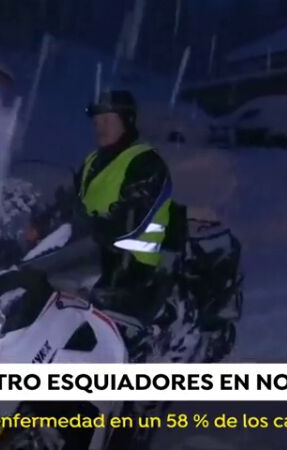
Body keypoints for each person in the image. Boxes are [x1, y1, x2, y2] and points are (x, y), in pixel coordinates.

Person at [76, 90, 176, 350]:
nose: (100, 127)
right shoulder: (92, 161)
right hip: (92, 258)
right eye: (97, 121)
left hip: (133, 264)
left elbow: (132, 216)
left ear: (127, 121)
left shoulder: (146, 162)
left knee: (93, 337)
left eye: (107, 120)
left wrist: (93, 226)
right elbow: (70, 203)